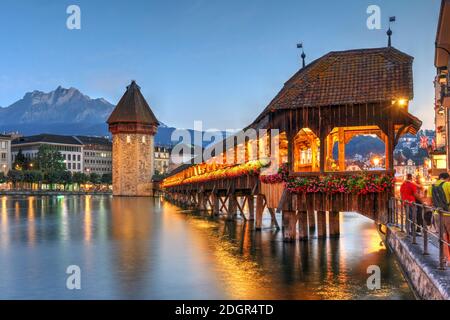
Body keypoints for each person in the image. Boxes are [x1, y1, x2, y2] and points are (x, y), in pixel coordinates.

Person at [428, 172, 450, 263]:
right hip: (448, 214)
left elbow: (429, 202)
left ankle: (447, 259)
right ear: (447, 178)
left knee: (443, 237)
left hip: (437, 214)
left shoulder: (431, 186)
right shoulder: (448, 185)